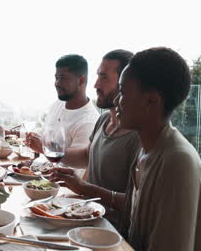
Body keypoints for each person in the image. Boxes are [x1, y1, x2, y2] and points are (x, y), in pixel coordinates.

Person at [116, 47, 201, 250]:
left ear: (151, 100)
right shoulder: (146, 149)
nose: (116, 101)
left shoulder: (179, 161)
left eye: (122, 92)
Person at [46, 50, 140, 226]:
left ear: (125, 83)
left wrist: (83, 187)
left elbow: (137, 202)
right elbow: (86, 155)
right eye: (97, 76)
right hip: (85, 216)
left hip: (111, 230)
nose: (96, 84)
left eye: (104, 77)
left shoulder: (138, 136)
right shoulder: (104, 119)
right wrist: (54, 153)